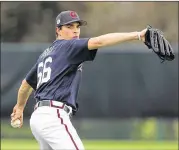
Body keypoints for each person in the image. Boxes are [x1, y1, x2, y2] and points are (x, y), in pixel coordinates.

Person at [11, 10, 147, 150]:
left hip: (38, 118)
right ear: (58, 30)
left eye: (77, 27)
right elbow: (99, 41)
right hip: (53, 116)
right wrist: (137, 35)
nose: (75, 31)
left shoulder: (46, 55)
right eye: (69, 27)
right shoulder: (69, 46)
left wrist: (20, 107)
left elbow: (25, 85)